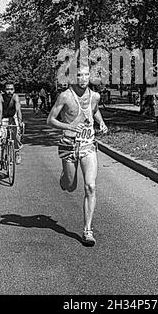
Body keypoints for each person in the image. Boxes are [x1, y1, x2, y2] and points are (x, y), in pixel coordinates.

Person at [47, 65, 108, 246]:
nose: (83, 78)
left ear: (90, 76)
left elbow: (95, 111)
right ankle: (65, 177)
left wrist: (102, 123)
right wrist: (69, 127)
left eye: (86, 74)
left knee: (90, 186)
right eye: (79, 75)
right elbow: (50, 120)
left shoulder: (95, 96)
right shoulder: (65, 96)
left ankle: (87, 230)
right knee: (70, 186)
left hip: (88, 145)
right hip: (68, 145)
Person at [0, 82, 24, 170]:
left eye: (11, 89)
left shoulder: (15, 97)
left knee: (16, 135)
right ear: (4, 90)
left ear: (14, 90)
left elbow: (18, 109)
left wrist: (20, 121)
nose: (9, 91)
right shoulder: (0, 97)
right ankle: (0, 161)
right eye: (7, 89)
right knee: (2, 138)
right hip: (4, 118)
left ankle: (17, 153)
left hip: (13, 117)